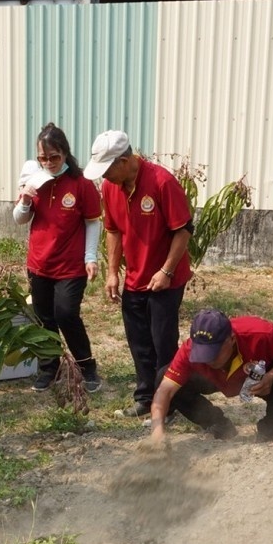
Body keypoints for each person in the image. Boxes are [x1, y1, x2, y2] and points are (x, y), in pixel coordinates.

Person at [84, 129, 193, 417]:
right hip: (134, 278)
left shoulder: (161, 182)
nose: (103, 177)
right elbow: (113, 230)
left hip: (165, 280)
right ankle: (145, 398)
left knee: (162, 343)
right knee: (139, 341)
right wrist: (112, 273)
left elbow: (183, 231)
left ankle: (167, 404)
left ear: (124, 161)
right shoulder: (110, 187)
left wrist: (166, 271)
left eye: (106, 170)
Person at [150, 308, 273, 443]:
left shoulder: (261, 333)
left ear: (232, 339)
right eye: (202, 354)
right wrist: (157, 433)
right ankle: (218, 425)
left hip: (259, 377)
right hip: (215, 379)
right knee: (162, 377)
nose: (209, 359)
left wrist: (272, 376)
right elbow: (164, 391)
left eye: (214, 353)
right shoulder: (189, 349)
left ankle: (270, 433)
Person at [13, 123, 103, 393]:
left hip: (70, 266)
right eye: (44, 158)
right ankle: (48, 368)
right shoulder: (34, 179)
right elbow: (19, 219)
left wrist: (91, 257)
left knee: (66, 314)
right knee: (44, 318)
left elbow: (92, 222)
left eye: (55, 157)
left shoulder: (81, 183)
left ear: (65, 153)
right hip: (39, 264)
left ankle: (87, 367)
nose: (49, 163)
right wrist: (25, 200)